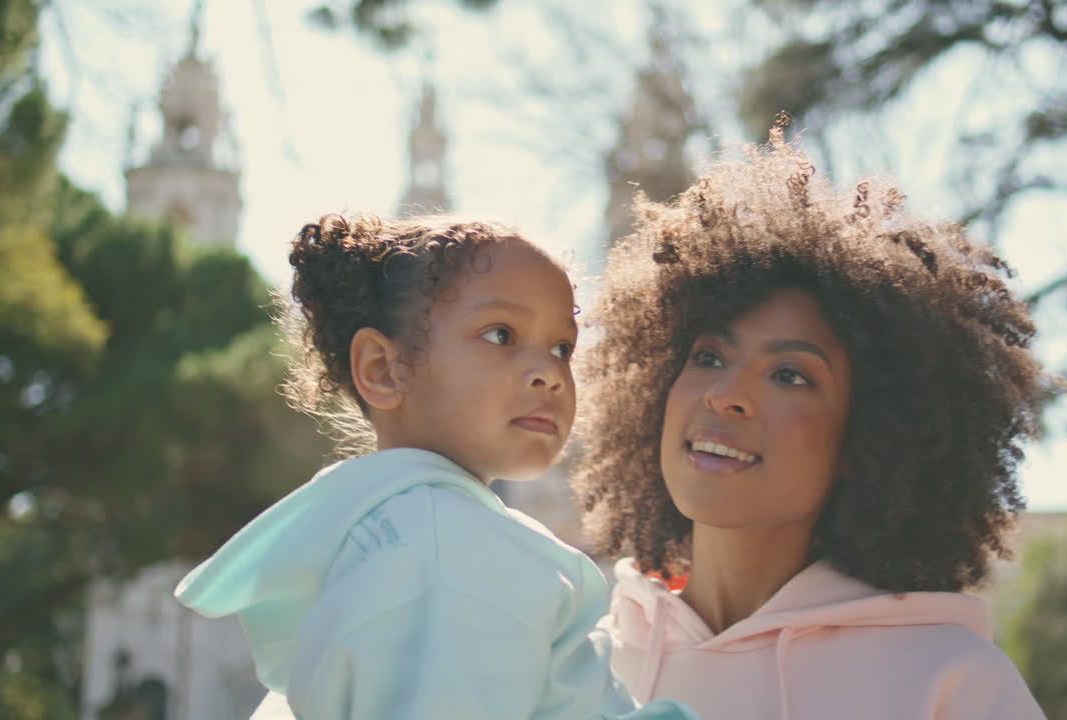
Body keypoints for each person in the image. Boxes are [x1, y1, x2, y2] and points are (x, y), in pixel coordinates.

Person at [573, 124, 1048, 720]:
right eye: (709, 358)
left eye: (790, 375)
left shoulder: (946, 678)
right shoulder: (577, 658)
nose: (725, 395)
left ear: (868, 439)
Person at [174, 214, 696, 720]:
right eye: (501, 335)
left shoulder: (387, 537)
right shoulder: (451, 547)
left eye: (562, 347)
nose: (550, 374)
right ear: (382, 369)